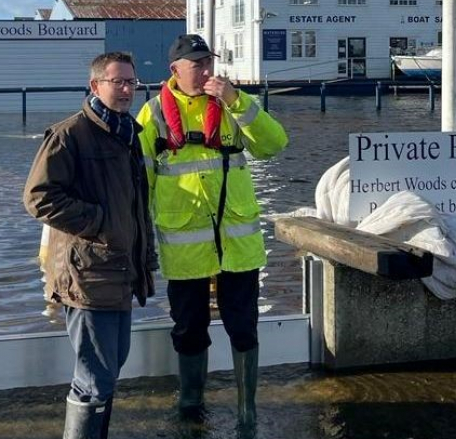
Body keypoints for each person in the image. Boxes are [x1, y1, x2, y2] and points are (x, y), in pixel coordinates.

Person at [136, 34, 287, 432]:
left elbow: (274, 145)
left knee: (243, 326)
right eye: (197, 64)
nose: (206, 71)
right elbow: (141, 183)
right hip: (185, 248)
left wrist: (238, 101)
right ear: (175, 70)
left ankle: (246, 410)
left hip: (239, 245)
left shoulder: (233, 105)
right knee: (188, 329)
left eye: (209, 63)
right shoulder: (152, 114)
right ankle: (191, 405)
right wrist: (140, 242)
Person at [24, 51, 156, 439]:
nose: (128, 89)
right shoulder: (70, 135)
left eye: (132, 81)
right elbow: (38, 198)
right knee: (94, 378)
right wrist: (99, 223)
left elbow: (135, 207)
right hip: (89, 274)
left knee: (112, 367)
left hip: (122, 271)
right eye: (118, 82)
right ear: (96, 85)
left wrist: (144, 255)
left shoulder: (129, 134)